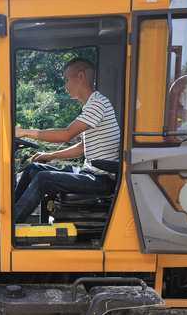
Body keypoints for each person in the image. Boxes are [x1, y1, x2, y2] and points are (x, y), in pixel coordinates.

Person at [12, 57, 119, 222]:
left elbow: (66, 134)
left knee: (43, 179)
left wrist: (25, 132)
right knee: (34, 169)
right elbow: (82, 148)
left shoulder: (98, 104)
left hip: (101, 179)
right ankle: (8, 215)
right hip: (90, 173)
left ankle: (9, 225)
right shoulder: (92, 105)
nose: (65, 86)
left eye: (67, 80)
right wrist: (49, 156)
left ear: (81, 77)